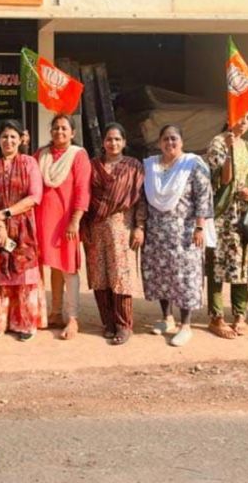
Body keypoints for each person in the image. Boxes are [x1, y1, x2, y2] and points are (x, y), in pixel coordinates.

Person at [141, 124, 213, 347]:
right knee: (161, 275)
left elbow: (203, 197)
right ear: (159, 142)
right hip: (156, 233)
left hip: (184, 234)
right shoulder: (150, 165)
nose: (169, 143)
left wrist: (199, 227)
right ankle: (167, 318)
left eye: (174, 138)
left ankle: (186, 325)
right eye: (165, 139)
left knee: (185, 278)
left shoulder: (192, 165)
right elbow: (141, 196)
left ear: (182, 142)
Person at [0, 120, 45, 340]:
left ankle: (25, 323)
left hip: (23, 226)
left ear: (21, 139)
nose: (8, 141)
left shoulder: (29, 163)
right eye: (4, 136)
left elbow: (35, 196)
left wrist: (6, 213)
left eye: (13, 137)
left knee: (24, 273)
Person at [83, 123, 145, 345]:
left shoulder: (133, 166)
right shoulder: (93, 166)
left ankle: (124, 325)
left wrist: (140, 226)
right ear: (103, 142)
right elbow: (84, 196)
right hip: (96, 226)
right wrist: (83, 226)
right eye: (109, 139)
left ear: (124, 142)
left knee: (120, 275)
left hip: (122, 227)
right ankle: (108, 322)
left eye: (117, 139)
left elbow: (141, 199)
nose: (113, 143)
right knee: (99, 275)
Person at [35, 114, 91, 340]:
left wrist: (75, 220)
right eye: (56, 128)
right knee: (53, 267)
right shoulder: (41, 154)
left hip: (66, 221)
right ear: (50, 131)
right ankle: (55, 313)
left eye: (64, 128)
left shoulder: (78, 155)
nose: (59, 131)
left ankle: (73, 318)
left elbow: (82, 190)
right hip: (42, 219)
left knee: (68, 267)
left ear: (73, 133)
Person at [204, 112, 248, 339]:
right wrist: (227, 151)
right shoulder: (218, 142)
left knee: (242, 265)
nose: (244, 122)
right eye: (240, 116)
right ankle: (216, 317)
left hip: (242, 214)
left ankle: (240, 314)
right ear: (229, 117)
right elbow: (222, 180)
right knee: (217, 264)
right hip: (222, 214)